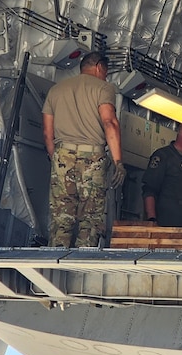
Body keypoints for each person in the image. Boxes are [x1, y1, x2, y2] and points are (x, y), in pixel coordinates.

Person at [42, 51, 125, 247]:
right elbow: (109, 122)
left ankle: (55, 265)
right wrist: (118, 161)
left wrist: (57, 159)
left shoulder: (56, 90)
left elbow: (47, 133)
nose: (105, 76)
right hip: (93, 159)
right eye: (105, 72)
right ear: (99, 67)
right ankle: (82, 266)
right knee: (90, 218)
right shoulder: (104, 88)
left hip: (62, 155)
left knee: (61, 217)